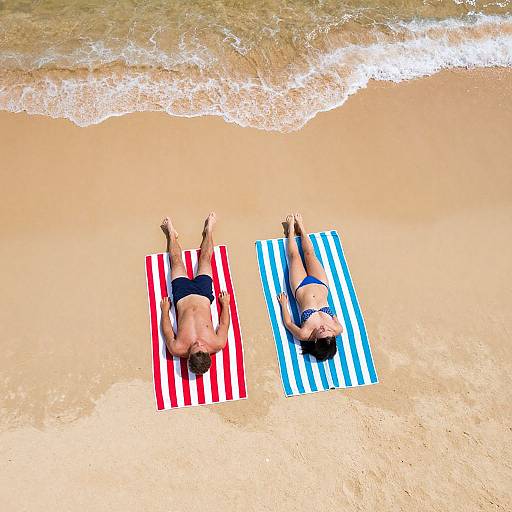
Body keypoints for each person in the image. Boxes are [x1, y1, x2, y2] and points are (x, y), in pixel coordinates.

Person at [159, 212, 230, 375]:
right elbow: (224, 324)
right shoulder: (218, 343)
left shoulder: (177, 348)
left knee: (176, 260)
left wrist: (164, 311)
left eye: (195, 346)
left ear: (188, 356)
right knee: (205, 258)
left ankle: (172, 234)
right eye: (202, 347)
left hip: (181, 296)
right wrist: (225, 304)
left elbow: (168, 330)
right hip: (203, 294)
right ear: (208, 353)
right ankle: (209, 230)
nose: (199, 343)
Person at [277, 213, 342, 361]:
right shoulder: (338, 329)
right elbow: (336, 319)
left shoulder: (304, 334)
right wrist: (333, 320)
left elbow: (288, 323)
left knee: (294, 257)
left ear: (315, 340)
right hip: (321, 284)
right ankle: (302, 227)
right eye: (329, 332)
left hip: (300, 287)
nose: (325, 328)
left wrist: (284, 305)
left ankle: (291, 232)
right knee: (310, 254)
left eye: (322, 332)